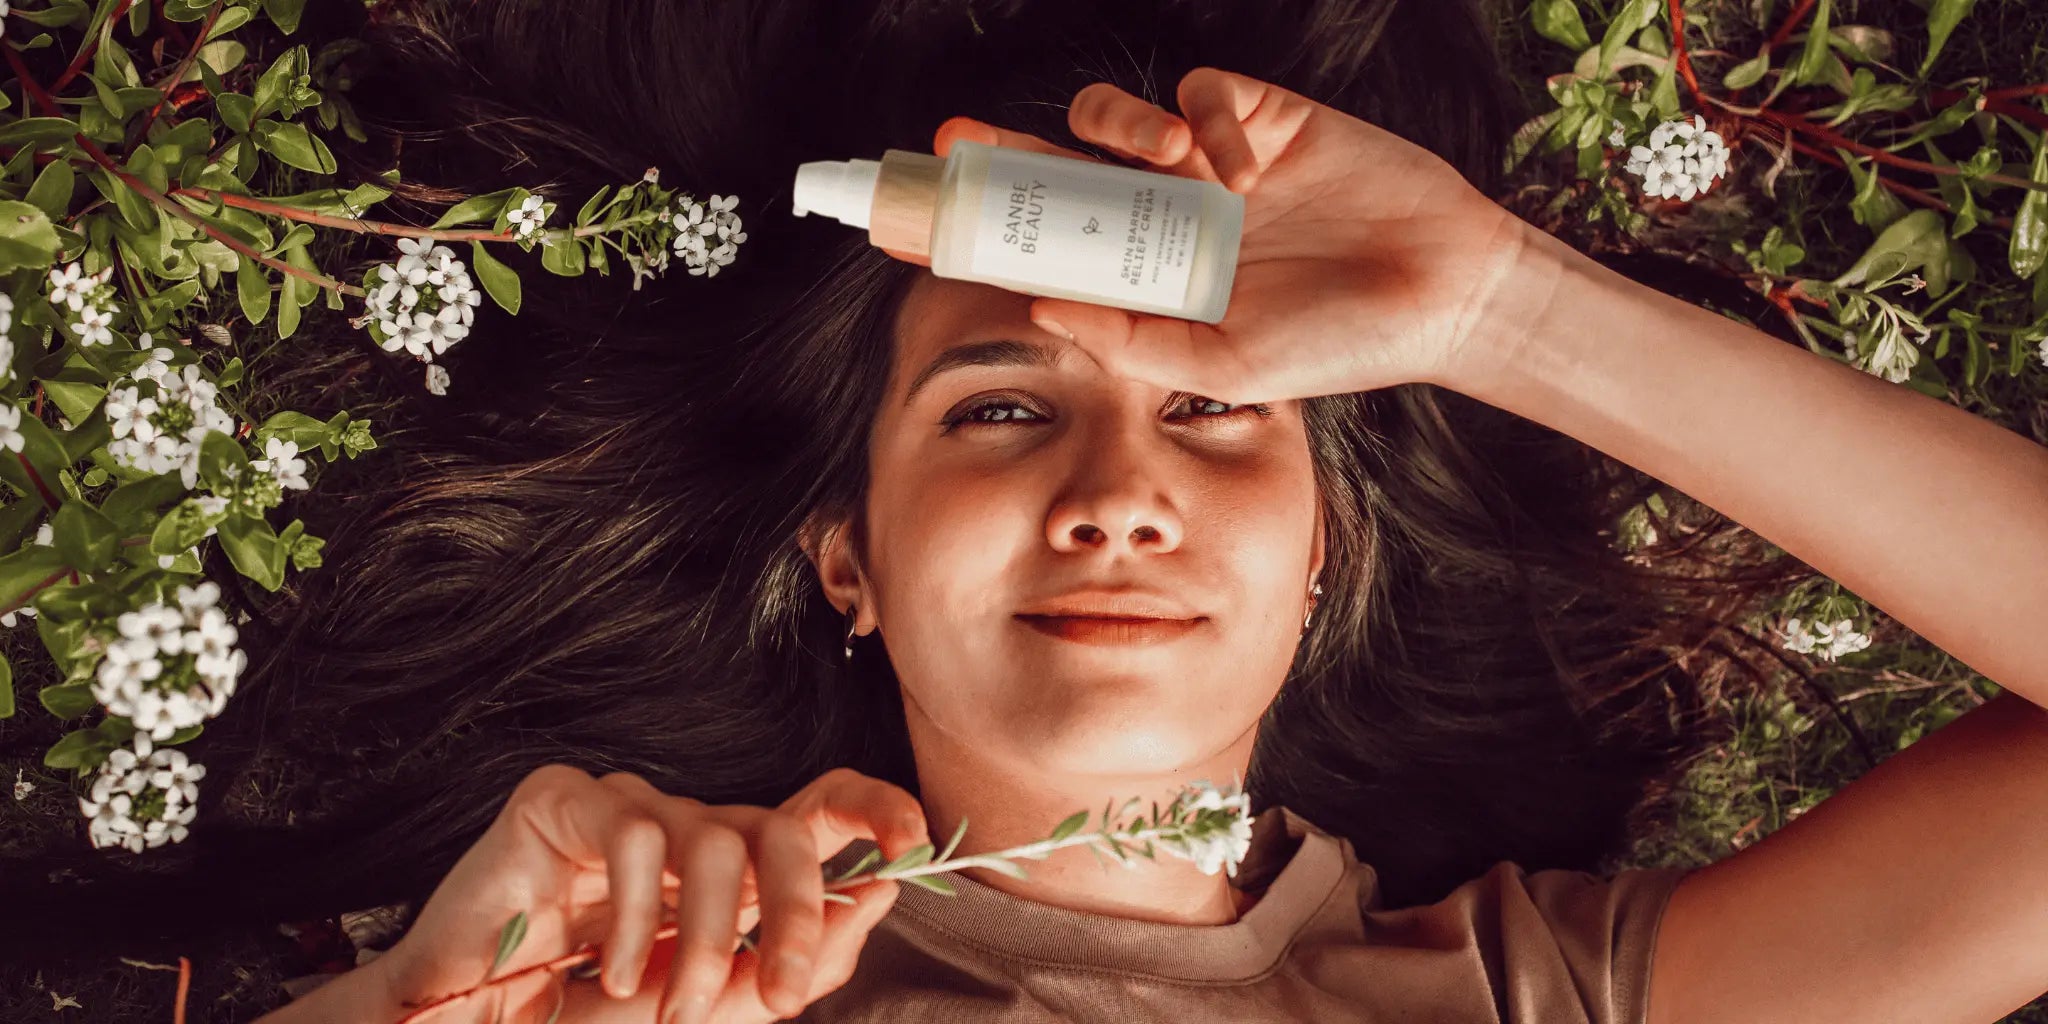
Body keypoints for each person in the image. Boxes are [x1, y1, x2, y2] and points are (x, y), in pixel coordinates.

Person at [12, 1, 2048, 1022]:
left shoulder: (1532, 994)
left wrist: (1503, 309)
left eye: (1217, 413)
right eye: (997, 408)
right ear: (849, 557)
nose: (1117, 496)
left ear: (1326, 555)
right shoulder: (615, 975)